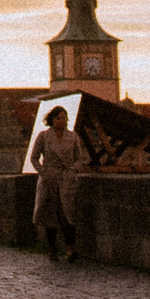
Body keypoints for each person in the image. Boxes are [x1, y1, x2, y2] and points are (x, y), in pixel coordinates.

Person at [28, 105, 88, 262]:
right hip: (50, 180)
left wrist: (73, 170)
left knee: (68, 216)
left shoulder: (72, 136)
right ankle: (52, 249)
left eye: (64, 118)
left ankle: (70, 248)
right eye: (58, 118)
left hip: (66, 180)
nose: (61, 121)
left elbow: (78, 158)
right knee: (50, 217)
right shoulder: (44, 136)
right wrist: (43, 172)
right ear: (52, 120)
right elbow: (34, 157)